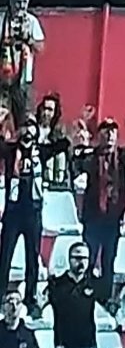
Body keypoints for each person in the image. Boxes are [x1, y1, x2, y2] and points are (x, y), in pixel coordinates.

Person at [71, 113, 125, 306]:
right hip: (93, 217)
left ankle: (105, 299)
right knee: (88, 259)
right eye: (106, 132)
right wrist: (78, 139)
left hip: (113, 218)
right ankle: (85, 297)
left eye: (113, 132)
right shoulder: (92, 156)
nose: (110, 136)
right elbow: (74, 164)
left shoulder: (122, 156)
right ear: (100, 135)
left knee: (109, 261)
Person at [0, 111, 73, 315]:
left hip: (33, 213)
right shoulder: (11, 151)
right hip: (13, 213)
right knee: (5, 257)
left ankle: (31, 299)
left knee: (32, 258)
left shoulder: (40, 151)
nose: (28, 131)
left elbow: (61, 146)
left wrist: (71, 132)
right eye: (24, 126)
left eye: (31, 126)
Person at [47, 241, 99, 348]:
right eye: (77, 258)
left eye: (84, 258)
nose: (81, 262)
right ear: (69, 259)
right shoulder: (57, 284)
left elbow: (111, 299)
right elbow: (41, 304)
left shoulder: (92, 283)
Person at [0, 0, 45, 124]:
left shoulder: (32, 21)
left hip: (24, 80)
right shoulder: (2, 20)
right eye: (18, 2)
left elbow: (40, 47)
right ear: (11, 1)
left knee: (23, 120)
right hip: (3, 78)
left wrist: (27, 39)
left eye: (24, 2)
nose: (21, 6)